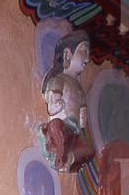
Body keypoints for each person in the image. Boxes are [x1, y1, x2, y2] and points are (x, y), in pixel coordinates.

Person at [37, 30, 95, 173]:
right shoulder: (59, 79)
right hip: (62, 125)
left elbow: (82, 112)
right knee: (56, 127)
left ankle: (69, 158)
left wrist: (82, 117)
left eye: (88, 52)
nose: (87, 57)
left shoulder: (78, 87)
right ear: (67, 54)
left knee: (88, 150)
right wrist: (55, 105)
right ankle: (59, 154)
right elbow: (52, 98)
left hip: (74, 131)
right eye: (83, 50)